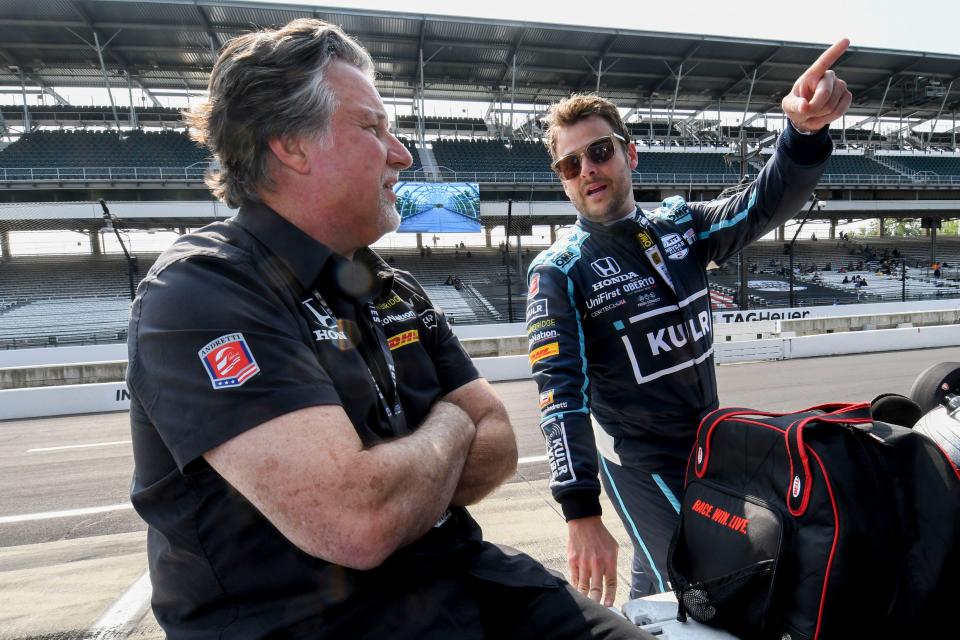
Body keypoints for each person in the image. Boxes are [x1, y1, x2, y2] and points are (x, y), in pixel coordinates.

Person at [127, 19, 650, 640]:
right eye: (373, 128)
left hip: (461, 580)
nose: (401, 153)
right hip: (312, 624)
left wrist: (400, 474)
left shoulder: (391, 286)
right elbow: (359, 520)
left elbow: (501, 446)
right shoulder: (202, 292)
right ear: (292, 143)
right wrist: (454, 424)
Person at [526, 40, 851, 603]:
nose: (588, 170)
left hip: (709, 440)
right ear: (562, 180)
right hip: (638, 461)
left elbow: (764, 203)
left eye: (599, 150)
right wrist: (580, 511)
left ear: (631, 154)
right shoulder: (558, 270)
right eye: (569, 164)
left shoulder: (681, 225)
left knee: (660, 583)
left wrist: (800, 135)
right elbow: (560, 396)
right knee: (711, 584)